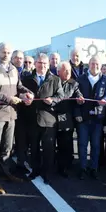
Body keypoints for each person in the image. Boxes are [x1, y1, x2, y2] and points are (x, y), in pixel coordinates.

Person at [0, 42, 33, 195]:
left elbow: (19, 86)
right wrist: (9, 99)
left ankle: (6, 172)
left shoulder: (14, 70)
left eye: (8, 52)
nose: (6, 54)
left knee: (8, 147)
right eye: (4, 52)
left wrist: (28, 93)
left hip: (12, 113)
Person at [22, 53, 64, 184]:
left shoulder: (56, 79)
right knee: (33, 147)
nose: (42, 66)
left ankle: (47, 173)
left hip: (48, 119)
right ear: (35, 64)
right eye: (40, 63)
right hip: (32, 118)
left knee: (48, 148)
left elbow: (61, 95)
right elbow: (21, 93)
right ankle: (35, 170)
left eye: (45, 63)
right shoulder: (27, 79)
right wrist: (24, 98)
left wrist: (52, 100)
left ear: (48, 65)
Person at [75, 55, 106, 180]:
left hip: (98, 117)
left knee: (96, 145)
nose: (94, 66)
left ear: (100, 66)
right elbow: (75, 96)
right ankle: (82, 168)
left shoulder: (105, 79)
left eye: (97, 64)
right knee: (82, 144)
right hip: (83, 118)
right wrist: (78, 114)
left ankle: (94, 168)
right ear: (88, 64)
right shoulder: (81, 79)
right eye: (92, 63)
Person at [54, 61, 83, 178]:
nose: (68, 73)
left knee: (66, 143)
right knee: (51, 143)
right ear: (58, 71)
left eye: (69, 71)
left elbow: (78, 93)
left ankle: (64, 166)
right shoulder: (53, 81)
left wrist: (80, 99)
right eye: (65, 70)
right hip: (52, 115)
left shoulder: (73, 83)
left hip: (66, 117)